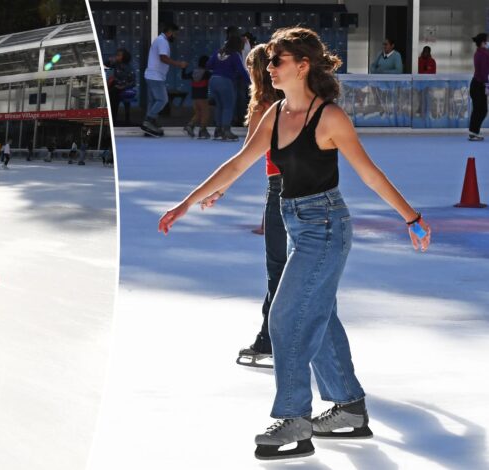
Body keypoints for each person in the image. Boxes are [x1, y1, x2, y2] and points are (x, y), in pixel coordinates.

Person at [158, 26, 431, 461]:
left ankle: (294, 418)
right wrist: (186, 202)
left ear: (303, 66)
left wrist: (411, 217)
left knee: (287, 316)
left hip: (326, 226)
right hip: (296, 224)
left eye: (278, 61)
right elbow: (239, 162)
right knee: (318, 314)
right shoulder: (276, 112)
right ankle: (349, 407)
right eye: (270, 61)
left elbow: (370, 174)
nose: (270, 67)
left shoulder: (330, 118)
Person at [202, 44, 284, 369]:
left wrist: (219, 191)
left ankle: (270, 340)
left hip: (280, 191)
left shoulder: (265, 105)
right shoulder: (291, 103)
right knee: (297, 269)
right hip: (309, 190)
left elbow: (243, 160)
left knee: (278, 270)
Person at [141, 23, 188, 137]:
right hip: (155, 76)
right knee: (162, 100)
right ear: (170, 32)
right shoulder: (162, 41)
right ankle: (148, 120)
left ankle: (150, 126)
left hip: (152, 75)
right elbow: (163, 58)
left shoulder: (159, 40)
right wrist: (179, 64)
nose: (175, 37)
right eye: (175, 34)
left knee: (153, 101)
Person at [207, 32, 250, 140]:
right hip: (225, 81)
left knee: (219, 106)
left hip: (213, 80)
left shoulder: (218, 52)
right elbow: (241, 70)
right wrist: (250, 82)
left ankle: (218, 130)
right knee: (228, 106)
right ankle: (226, 131)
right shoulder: (235, 55)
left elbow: (208, 65)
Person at [182, 55, 212, 139]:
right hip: (203, 96)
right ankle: (202, 131)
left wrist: (183, 68)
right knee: (205, 113)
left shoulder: (193, 72)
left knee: (198, 113)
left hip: (194, 97)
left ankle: (190, 126)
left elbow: (184, 76)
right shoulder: (206, 73)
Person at [106, 48, 136, 126]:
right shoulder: (116, 64)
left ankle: (113, 118)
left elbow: (133, 82)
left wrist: (123, 87)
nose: (117, 57)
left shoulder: (129, 68)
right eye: (117, 55)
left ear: (124, 57)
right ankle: (112, 118)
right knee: (110, 92)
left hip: (123, 87)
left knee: (113, 94)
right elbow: (106, 65)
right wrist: (109, 60)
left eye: (119, 55)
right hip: (116, 85)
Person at [468, 33, 489, 141]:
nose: (487, 42)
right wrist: (486, 85)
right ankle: (473, 132)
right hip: (478, 85)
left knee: (480, 109)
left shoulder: (481, 52)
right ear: (482, 42)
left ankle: (474, 131)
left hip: (477, 84)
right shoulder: (484, 54)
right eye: (486, 40)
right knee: (481, 110)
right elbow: (484, 72)